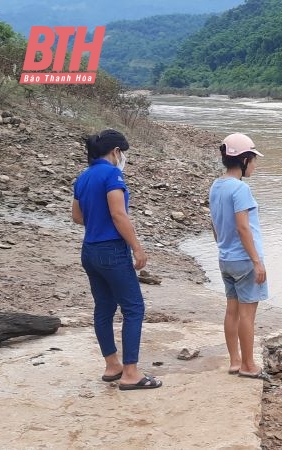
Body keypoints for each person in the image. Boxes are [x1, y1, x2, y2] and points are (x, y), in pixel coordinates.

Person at [71, 129, 162, 391]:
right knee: (134, 308)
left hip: (89, 250)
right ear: (116, 152)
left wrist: (97, 221)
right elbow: (119, 214)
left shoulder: (84, 175)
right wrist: (137, 247)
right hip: (112, 250)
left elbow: (77, 216)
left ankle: (112, 365)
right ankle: (131, 373)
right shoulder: (112, 174)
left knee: (104, 308)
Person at [209, 132, 270, 380]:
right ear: (244, 160)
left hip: (225, 258)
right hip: (245, 260)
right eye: (253, 159)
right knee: (247, 314)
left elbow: (214, 222)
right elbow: (243, 226)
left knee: (231, 310)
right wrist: (257, 261)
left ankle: (235, 361)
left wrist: (223, 245)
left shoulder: (216, 185)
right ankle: (248, 365)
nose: (255, 164)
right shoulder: (240, 189)